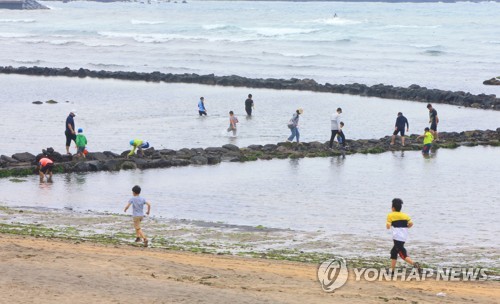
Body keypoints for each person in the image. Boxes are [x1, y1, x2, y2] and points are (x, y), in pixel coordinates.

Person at [386, 198, 421, 275]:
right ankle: (392, 271)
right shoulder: (405, 215)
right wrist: (405, 227)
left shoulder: (390, 215)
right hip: (403, 237)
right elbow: (411, 224)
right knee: (393, 252)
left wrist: (389, 226)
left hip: (397, 238)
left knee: (402, 255)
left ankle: (415, 264)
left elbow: (388, 226)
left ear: (393, 208)